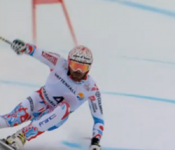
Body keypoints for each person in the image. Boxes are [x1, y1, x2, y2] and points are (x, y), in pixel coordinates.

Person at [0, 39, 104, 150]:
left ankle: (20, 137)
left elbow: (99, 119)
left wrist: (95, 142)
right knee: (10, 120)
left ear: (89, 68)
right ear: (69, 62)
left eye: (83, 67)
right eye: (75, 65)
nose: (78, 71)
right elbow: (38, 52)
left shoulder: (91, 88)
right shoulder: (59, 62)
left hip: (56, 116)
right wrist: (24, 48)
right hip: (39, 100)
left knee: (64, 108)